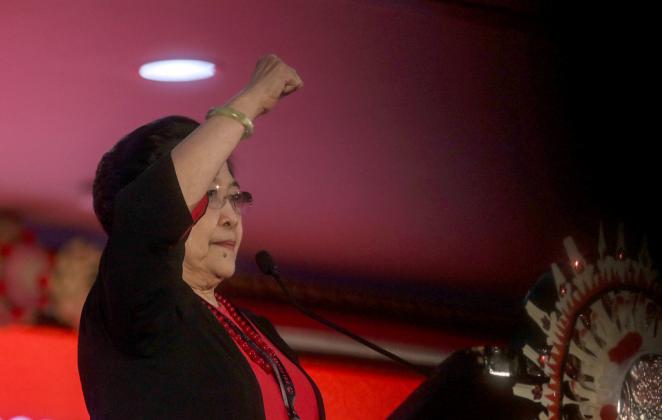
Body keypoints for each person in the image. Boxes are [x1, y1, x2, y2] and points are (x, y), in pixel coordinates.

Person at [78, 55, 324, 419]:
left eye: (235, 197)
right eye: (210, 194)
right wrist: (250, 101)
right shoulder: (135, 306)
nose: (230, 217)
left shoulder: (258, 330)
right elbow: (151, 214)